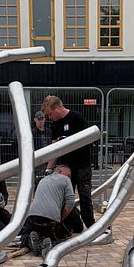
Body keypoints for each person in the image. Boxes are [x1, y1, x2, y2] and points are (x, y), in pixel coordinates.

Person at [40, 95, 95, 228]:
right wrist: (49, 169)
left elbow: (89, 139)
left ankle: (92, 227)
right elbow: (54, 150)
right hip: (66, 168)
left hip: (82, 166)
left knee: (85, 198)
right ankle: (67, 226)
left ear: (57, 108)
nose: (49, 117)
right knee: (63, 198)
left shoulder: (76, 118)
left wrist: (69, 140)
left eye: (50, 114)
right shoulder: (55, 125)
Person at [21, 165, 83, 257]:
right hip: (50, 221)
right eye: (68, 175)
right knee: (60, 237)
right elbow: (70, 203)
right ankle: (50, 243)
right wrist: (61, 218)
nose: (69, 177)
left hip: (32, 218)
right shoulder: (65, 180)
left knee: (24, 236)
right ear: (60, 171)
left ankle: (30, 241)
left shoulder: (43, 180)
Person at [31, 110, 51, 185]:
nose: (40, 121)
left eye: (42, 119)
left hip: (48, 160)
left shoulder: (49, 132)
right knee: (38, 182)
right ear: (35, 120)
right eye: (39, 119)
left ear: (44, 119)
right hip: (38, 161)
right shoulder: (32, 133)